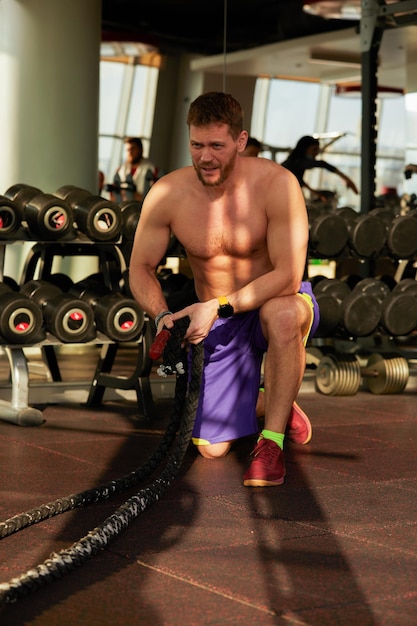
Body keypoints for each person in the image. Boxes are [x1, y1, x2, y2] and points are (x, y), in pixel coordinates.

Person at [129, 91, 320, 487]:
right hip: (217, 316)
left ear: (240, 140)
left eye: (217, 145)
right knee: (211, 449)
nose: (206, 157)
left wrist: (218, 306)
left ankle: (272, 441)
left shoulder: (277, 185)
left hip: (274, 299)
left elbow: (287, 275)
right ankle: (276, 400)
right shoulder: (168, 193)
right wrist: (163, 316)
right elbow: (141, 268)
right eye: (197, 145)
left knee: (281, 314)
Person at [281, 135, 359, 198]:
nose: (316, 153)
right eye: (314, 150)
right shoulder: (297, 162)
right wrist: (346, 179)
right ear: (304, 149)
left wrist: (314, 192)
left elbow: (298, 180)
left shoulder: (294, 164)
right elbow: (322, 164)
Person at [112, 137, 156, 202]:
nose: (130, 152)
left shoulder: (152, 170)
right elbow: (114, 196)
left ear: (140, 150)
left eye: (133, 149)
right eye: (128, 150)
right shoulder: (120, 170)